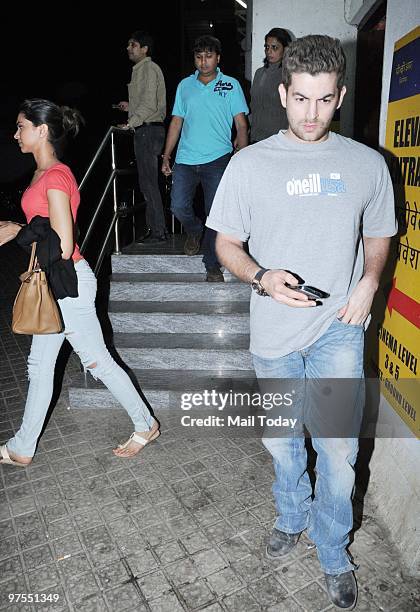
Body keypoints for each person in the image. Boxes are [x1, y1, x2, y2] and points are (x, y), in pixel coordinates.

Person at [207, 35, 397, 609]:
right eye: (300, 99)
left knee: (338, 451)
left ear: (338, 96)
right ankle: (291, 517)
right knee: (285, 443)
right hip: (272, 333)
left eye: (324, 100)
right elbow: (226, 244)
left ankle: (333, 550)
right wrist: (261, 277)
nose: (311, 114)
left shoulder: (367, 164)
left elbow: (380, 233)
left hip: (339, 325)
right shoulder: (248, 163)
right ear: (283, 92)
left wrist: (368, 283)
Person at [0, 98, 159, 467]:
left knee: (97, 361)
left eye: (21, 126)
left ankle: (145, 423)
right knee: (44, 366)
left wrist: (18, 230)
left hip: (68, 283)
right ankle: (23, 446)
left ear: (41, 130)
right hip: (55, 282)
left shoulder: (56, 176)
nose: (16, 133)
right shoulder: (42, 174)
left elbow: (64, 241)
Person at [161, 35, 249, 282]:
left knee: (216, 213)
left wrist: (242, 154)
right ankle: (194, 230)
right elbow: (176, 122)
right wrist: (167, 155)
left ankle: (212, 264)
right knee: (178, 206)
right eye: (199, 57)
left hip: (218, 159)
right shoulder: (184, 86)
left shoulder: (230, 85)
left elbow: (241, 125)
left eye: (208, 56)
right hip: (185, 159)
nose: (203, 62)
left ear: (218, 58)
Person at [116, 31, 167, 243]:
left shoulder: (148, 68)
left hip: (148, 130)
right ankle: (156, 229)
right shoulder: (141, 70)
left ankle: (158, 232)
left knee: (148, 183)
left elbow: (149, 105)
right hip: (146, 129)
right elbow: (147, 101)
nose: (129, 48)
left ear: (144, 48)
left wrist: (131, 122)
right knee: (147, 182)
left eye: (133, 44)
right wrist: (130, 108)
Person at [250, 27, 292, 143]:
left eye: (274, 47)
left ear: (286, 49)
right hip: (256, 137)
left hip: (279, 140)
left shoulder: (290, 74)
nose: (269, 51)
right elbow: (254, 105)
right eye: (267, 47)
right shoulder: (259, 73)